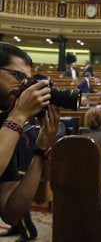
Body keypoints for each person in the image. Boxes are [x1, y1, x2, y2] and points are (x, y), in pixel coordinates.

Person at [0, 42, 60, 228]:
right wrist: (18, 115)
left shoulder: (6, 124)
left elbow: (11, 213)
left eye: (27, 81)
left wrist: (41, 151)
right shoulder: (13, 122)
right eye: (18, 76)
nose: (24, 87)